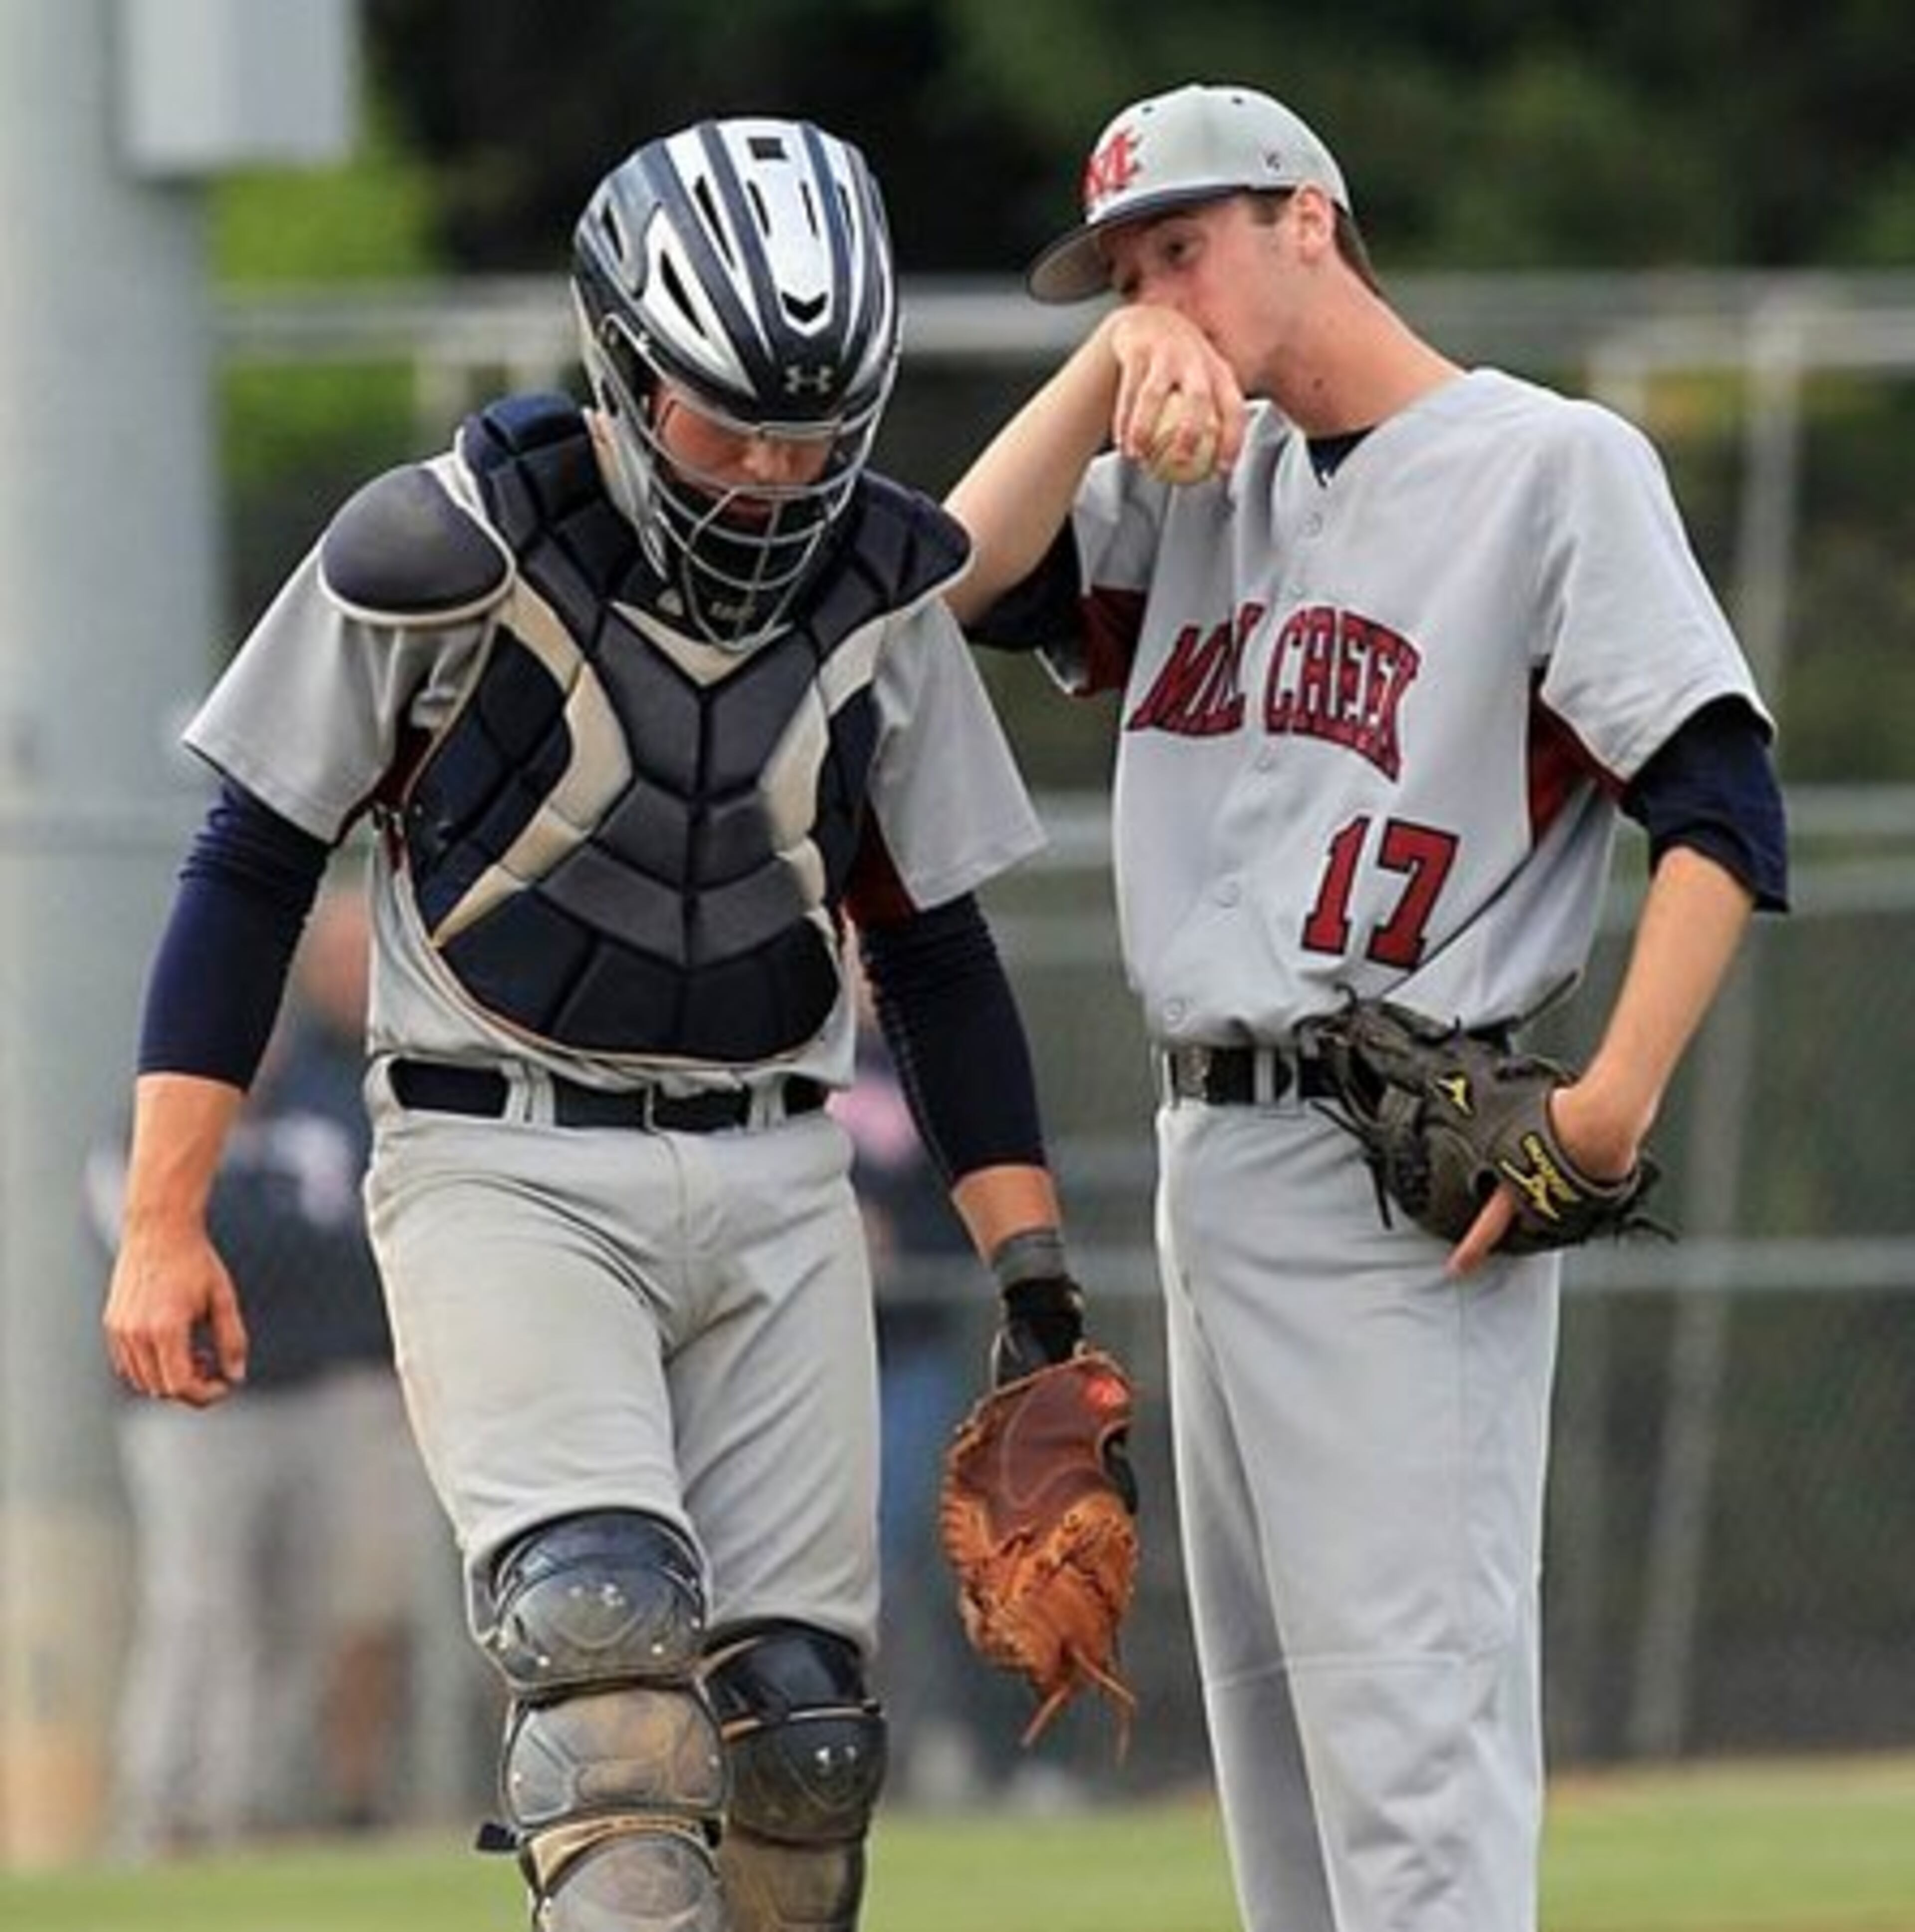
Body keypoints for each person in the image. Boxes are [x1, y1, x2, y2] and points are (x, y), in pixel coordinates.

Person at [101, 115, 1109, 1932]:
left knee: (802, 1747)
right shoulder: (446, 547)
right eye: (733, 418)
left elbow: (939, 955)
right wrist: (168, 1214)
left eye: (819, 427)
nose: (779, 472)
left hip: (780, 1163)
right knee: (607, 1663)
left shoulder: (884, 596)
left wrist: (1035, 1288)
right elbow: (254, 853)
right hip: (505, 1156)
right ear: (627, 373)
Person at [943, 81, 1788, 1932]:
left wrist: (1615, 1103)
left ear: (1307, 220)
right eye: (1120, 271)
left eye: (1183, 247)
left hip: (1406, 1174)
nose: (1150, 293)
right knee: (1279, 1792)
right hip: (1206, 1163)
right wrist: (1112, 372)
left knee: (1413, 1773)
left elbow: (1721, 803)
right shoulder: (1191, 492)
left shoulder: (1549, 466)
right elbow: (955, 575)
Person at [89, 883, 431, 1855]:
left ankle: (245, 1809)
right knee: (198, 1608)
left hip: (320, 1397)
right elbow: (137, 1249)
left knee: (300, 1616)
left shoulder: (329, 1104)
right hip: (191, 1407)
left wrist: (257, 1252)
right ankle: (159, 1811)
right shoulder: (149, 1132)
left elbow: (363, 1247)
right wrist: (270, 1251)